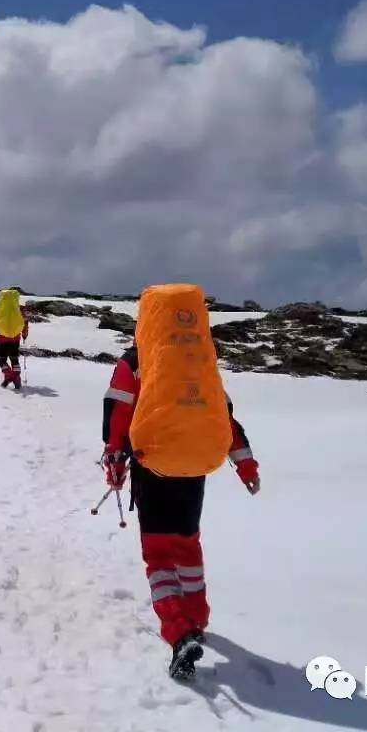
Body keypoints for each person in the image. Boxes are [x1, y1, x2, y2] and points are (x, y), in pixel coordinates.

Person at [100, 284, 261, 680]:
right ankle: (198, 618)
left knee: (157, 554)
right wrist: (245, 465)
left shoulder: (135, 362)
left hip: (152, 466)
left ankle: (178, 631)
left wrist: (115, 462)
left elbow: (117, 413)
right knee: (187, 546)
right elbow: (223, 418)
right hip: (195, 468)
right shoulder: (197, 362)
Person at [0, 288, 29, 390]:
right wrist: (24, 334)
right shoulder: (20, 308)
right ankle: (15, 376)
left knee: (1, 359)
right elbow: (25, 322)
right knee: (14, 358)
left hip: (2, 338)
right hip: (15, 338)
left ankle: (9, 376)